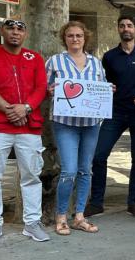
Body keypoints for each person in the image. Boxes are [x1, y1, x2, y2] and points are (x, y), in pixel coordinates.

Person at [0, 19, 49, 245]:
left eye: (20, 29)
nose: (15, 32)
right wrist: (10, 109)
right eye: (10, 28)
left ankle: (32, 223)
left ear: (25, 34)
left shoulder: (34, 58)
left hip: (30, 124)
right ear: (1, 31)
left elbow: (41, 88)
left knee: (31, 175)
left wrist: (24, 108)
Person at [85, 16, 135, 218]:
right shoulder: (109, 57)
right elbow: (102, 82)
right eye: (122, 26)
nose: (126, 29)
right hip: (114, 112)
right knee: (99, 155)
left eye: (130, 26)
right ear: (118, 29)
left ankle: (134, 203)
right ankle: (97, 202)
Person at [45, 21, 109, 236]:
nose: (75, 39)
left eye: (79, 35)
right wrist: (51, 90)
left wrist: (109, 90)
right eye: (70, 35)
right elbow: (43, 88)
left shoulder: (95, 63)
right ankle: (61, 215)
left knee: (85, 170)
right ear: (64, 38)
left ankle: (79, 216)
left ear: (85, 38)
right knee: (69, 170)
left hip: (91, 124)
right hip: (65, 124)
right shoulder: (54, 62)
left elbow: (103, 87)